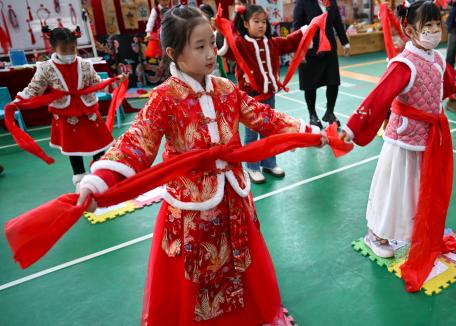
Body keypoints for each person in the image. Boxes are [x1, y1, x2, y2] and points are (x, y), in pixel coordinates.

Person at [78, 6, 325, 325]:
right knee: (197, 273)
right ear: (173, 53)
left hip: (235, 199)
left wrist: (309, 133)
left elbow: (265, 117)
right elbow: (138, 140)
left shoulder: (225, 89)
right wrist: (100, 178)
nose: (211, 53)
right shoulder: (164, 98)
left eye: (212, 42)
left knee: (241, 263)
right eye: (200, 46)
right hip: (192, 209)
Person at [341, 0, 456, 291]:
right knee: (395, 188)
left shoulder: (435, 58)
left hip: (429, 138)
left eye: (438, 25)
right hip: (404, 139)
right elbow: (378, 97)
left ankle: (412, 229)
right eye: (428, 27)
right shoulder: (404, 63)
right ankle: (377, 234)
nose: (435, 31)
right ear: (410, 30)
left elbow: (447, 81)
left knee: (421, 187)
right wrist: (351, 127)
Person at [16, 26, 126, 191]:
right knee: (73, 148)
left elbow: (96, 83)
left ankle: (101, 176)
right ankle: (80, 179)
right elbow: (35, 88)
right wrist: (19, 99)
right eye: (64, 49)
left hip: (88, 110)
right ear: (53, 48)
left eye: (72, 48)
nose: (69, 52)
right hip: (66, 113)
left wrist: (115, 81)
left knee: (99, 143)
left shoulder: (84, 64)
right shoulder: (45, 68)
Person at [219, 4, 307, 183]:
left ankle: (269, 162)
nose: (261, 25)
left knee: (268, 130)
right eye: (256, 21)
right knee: (251, 135)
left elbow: (290, 41)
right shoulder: (240, 44)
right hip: (250, 98)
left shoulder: (272, 43)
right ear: (245, 24)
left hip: (269, 96)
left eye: (264, 22)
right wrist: (221, 34)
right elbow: (227, 50)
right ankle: (252, 167)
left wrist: (308, 28)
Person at [293, 0, 350, 128]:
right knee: (309, 85)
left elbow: (337, 23)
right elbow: (296, 26)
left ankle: (330, 112)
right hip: (310, 49)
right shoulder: (302, 2)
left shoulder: (331, 2)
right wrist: (298, 51)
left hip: (329, 47)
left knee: (333, 81)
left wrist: (345, 42)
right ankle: (312, 115)